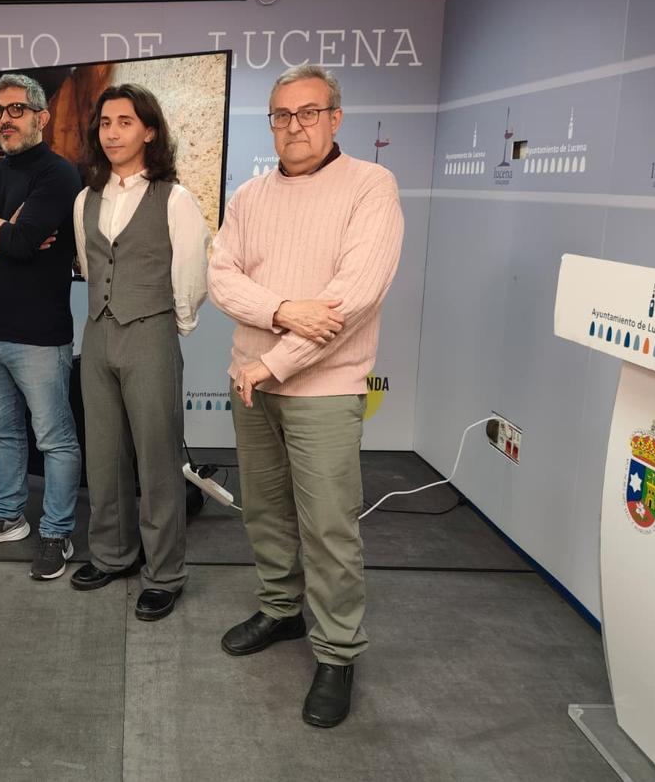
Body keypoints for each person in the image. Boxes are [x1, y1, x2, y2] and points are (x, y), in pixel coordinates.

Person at [207, 65, 404, 727]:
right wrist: (284, 310)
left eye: (309, 112)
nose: (295, 125)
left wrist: (276, 361)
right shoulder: (249, 196)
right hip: (251, 382)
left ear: (335, 118)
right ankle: (280, 609)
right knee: (265, 510)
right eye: (282, 114)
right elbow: (221, 278)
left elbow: (353, 298)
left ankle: (338, 651)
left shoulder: (371, 186)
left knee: (329, 526)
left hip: (324, 387)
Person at [68, 84, 210, 622]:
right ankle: (112, 554)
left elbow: (191, 272)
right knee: (103, 455)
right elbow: (90, 265)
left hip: (150, 331)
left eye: (124, 122)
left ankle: (165, 572)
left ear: (149, 131)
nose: (112, 132)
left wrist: (174, 325)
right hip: (97, 334)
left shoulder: (174, 198)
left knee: (157, 459)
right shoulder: (85, 199)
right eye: (105, 123)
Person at [0, 72, 83, 581]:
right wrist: (3, 231)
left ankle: (57, 531)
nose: (5, 119)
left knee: (55, 439)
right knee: (3, 433)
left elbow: (22, 244)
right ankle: (8, 517)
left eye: (16, 109)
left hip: (41, 335)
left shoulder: (60, 175)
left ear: (41, 117)